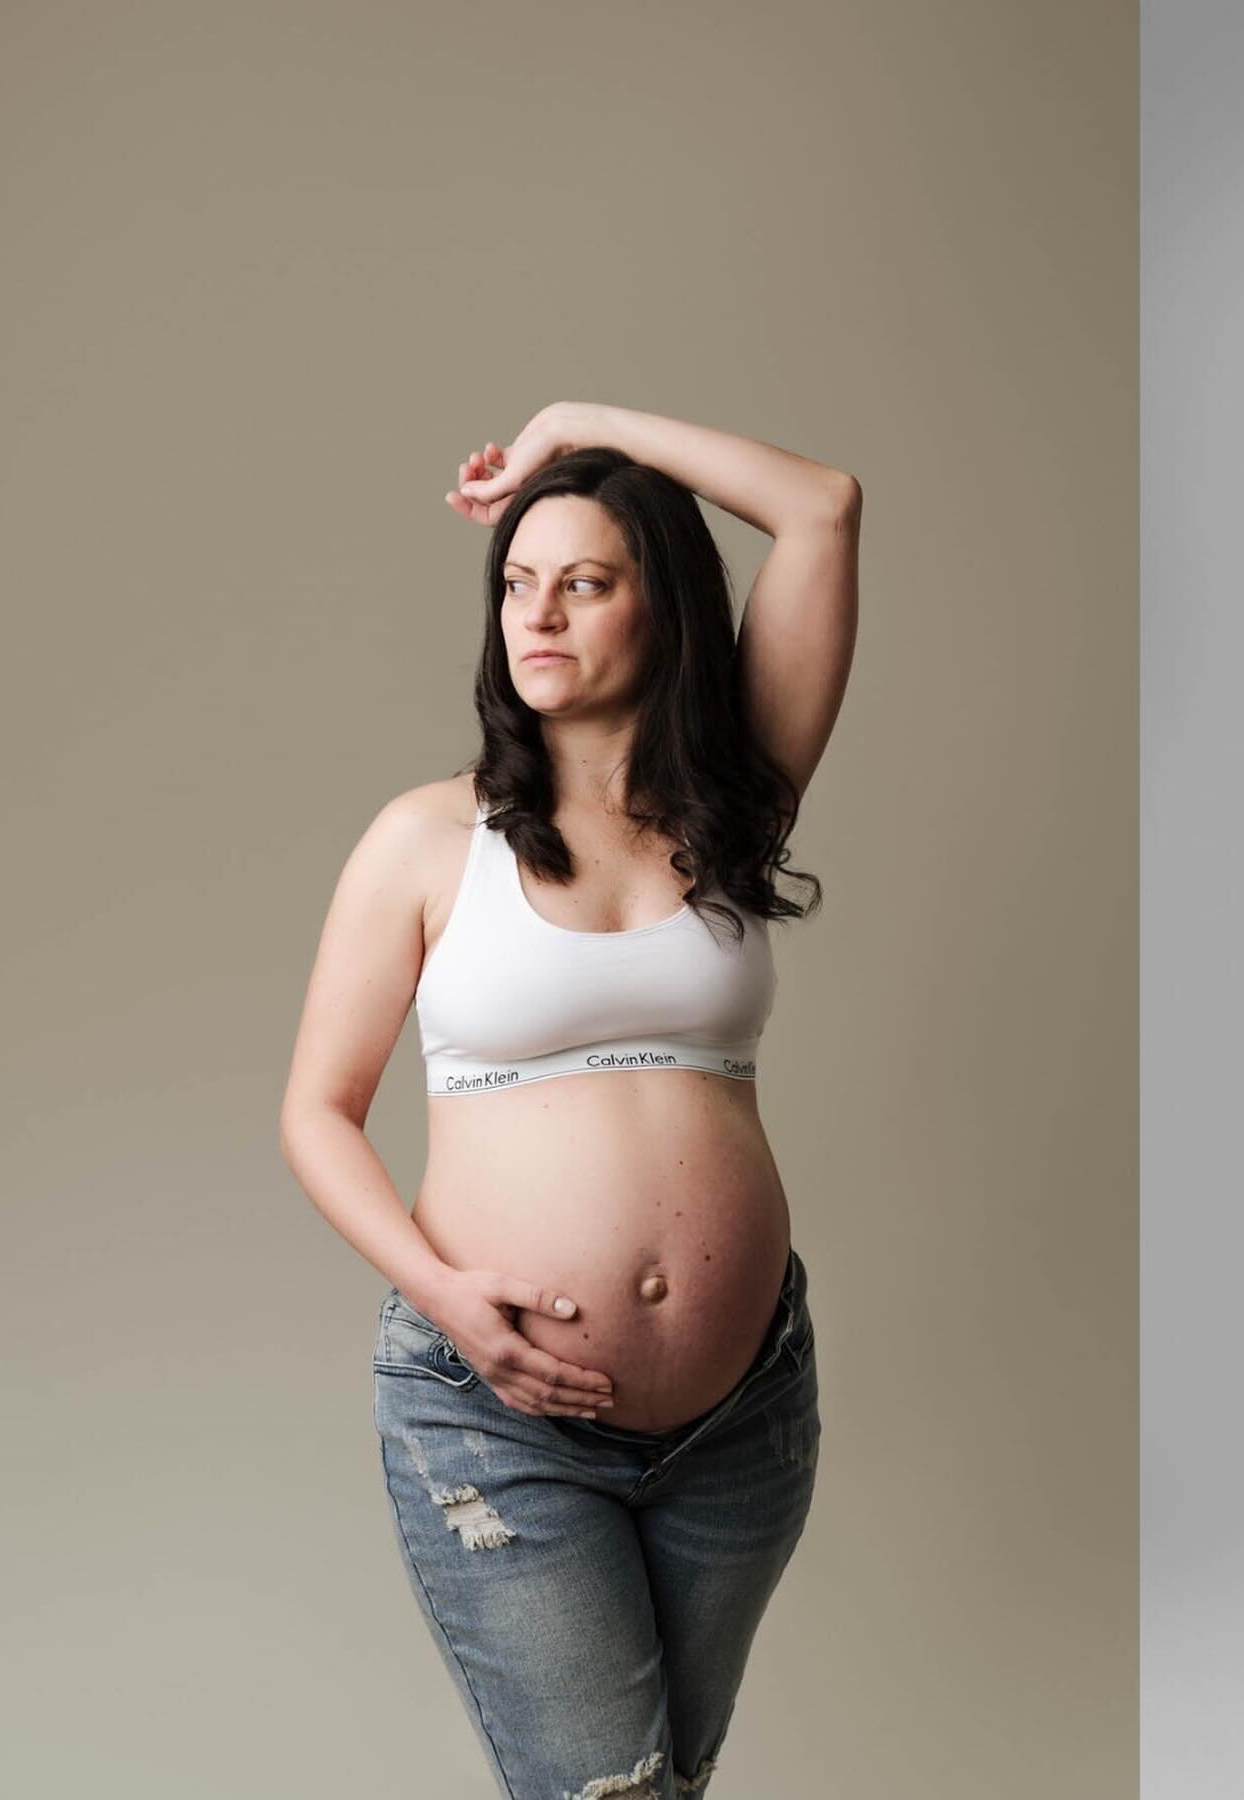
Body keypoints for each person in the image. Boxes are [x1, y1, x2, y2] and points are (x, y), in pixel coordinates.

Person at [278, 400, 862, 1799]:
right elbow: (316, 1111)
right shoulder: (429, 840)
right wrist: (449, 1298)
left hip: (742, 1419)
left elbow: (824, 507)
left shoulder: (736, 808)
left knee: (661, 1785)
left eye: (584, 583)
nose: (536, 616)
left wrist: (580, 424)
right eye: (517, 585)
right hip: (497, 1408)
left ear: (661, 610)